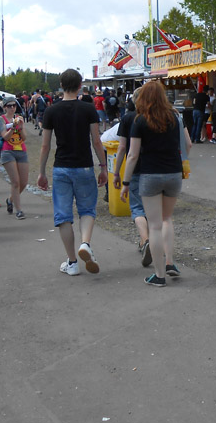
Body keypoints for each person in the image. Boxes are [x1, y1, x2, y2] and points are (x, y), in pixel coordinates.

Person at [37, 68, 108, 276]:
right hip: (84, 166)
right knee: (87, 210)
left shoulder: (51, 111)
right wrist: (103, 167)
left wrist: (42, 171)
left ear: (61, 84)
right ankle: (85, 243)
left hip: (61, 168)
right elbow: (96, 140)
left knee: (64, 215)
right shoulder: (88, 109)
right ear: (80, 86)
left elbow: (45, 145)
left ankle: (72, 262)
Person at [120, 81, 190, 286]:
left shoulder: (140, 121)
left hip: (150, 176)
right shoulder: (174, 118)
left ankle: (159, 275)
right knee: (167, 219)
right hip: (174, 174)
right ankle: (170, 262)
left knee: (155, 226)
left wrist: (125, 182)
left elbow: (132, 155)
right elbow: (186, 145)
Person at [113, 92, 151, 265]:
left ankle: (145, 240)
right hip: (155, 168)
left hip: (135, 168)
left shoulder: (128, 119)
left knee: (137, 208)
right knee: (153, 209)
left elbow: (122, 148)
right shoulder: (155, 116)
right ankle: (154, 243)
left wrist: (116, 172)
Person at [0, 96, 29, 219]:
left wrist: (20, 128)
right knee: (15, 182)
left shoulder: (19, 118)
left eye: (14, 105)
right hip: (8, 151)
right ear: (5, 107)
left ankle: (11, 200)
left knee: (23, 182)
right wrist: (13, 128)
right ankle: (19, 210)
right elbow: (4, 136)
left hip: (21, 150)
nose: (12, 108)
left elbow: (24, 137)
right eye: (9, 106)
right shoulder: (1, 119)